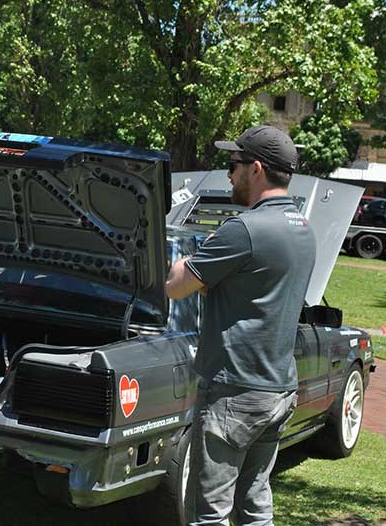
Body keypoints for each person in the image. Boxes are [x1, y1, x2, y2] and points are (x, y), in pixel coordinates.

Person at [165, 125, 317, 524]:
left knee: (210, 512)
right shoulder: (303, 229)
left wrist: (184, 261)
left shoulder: (243, 230)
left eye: (233, 164)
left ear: (257, 169)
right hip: (278, 390)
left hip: (234, 392)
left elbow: (176, 287)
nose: (228, 174)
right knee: (255, 506)